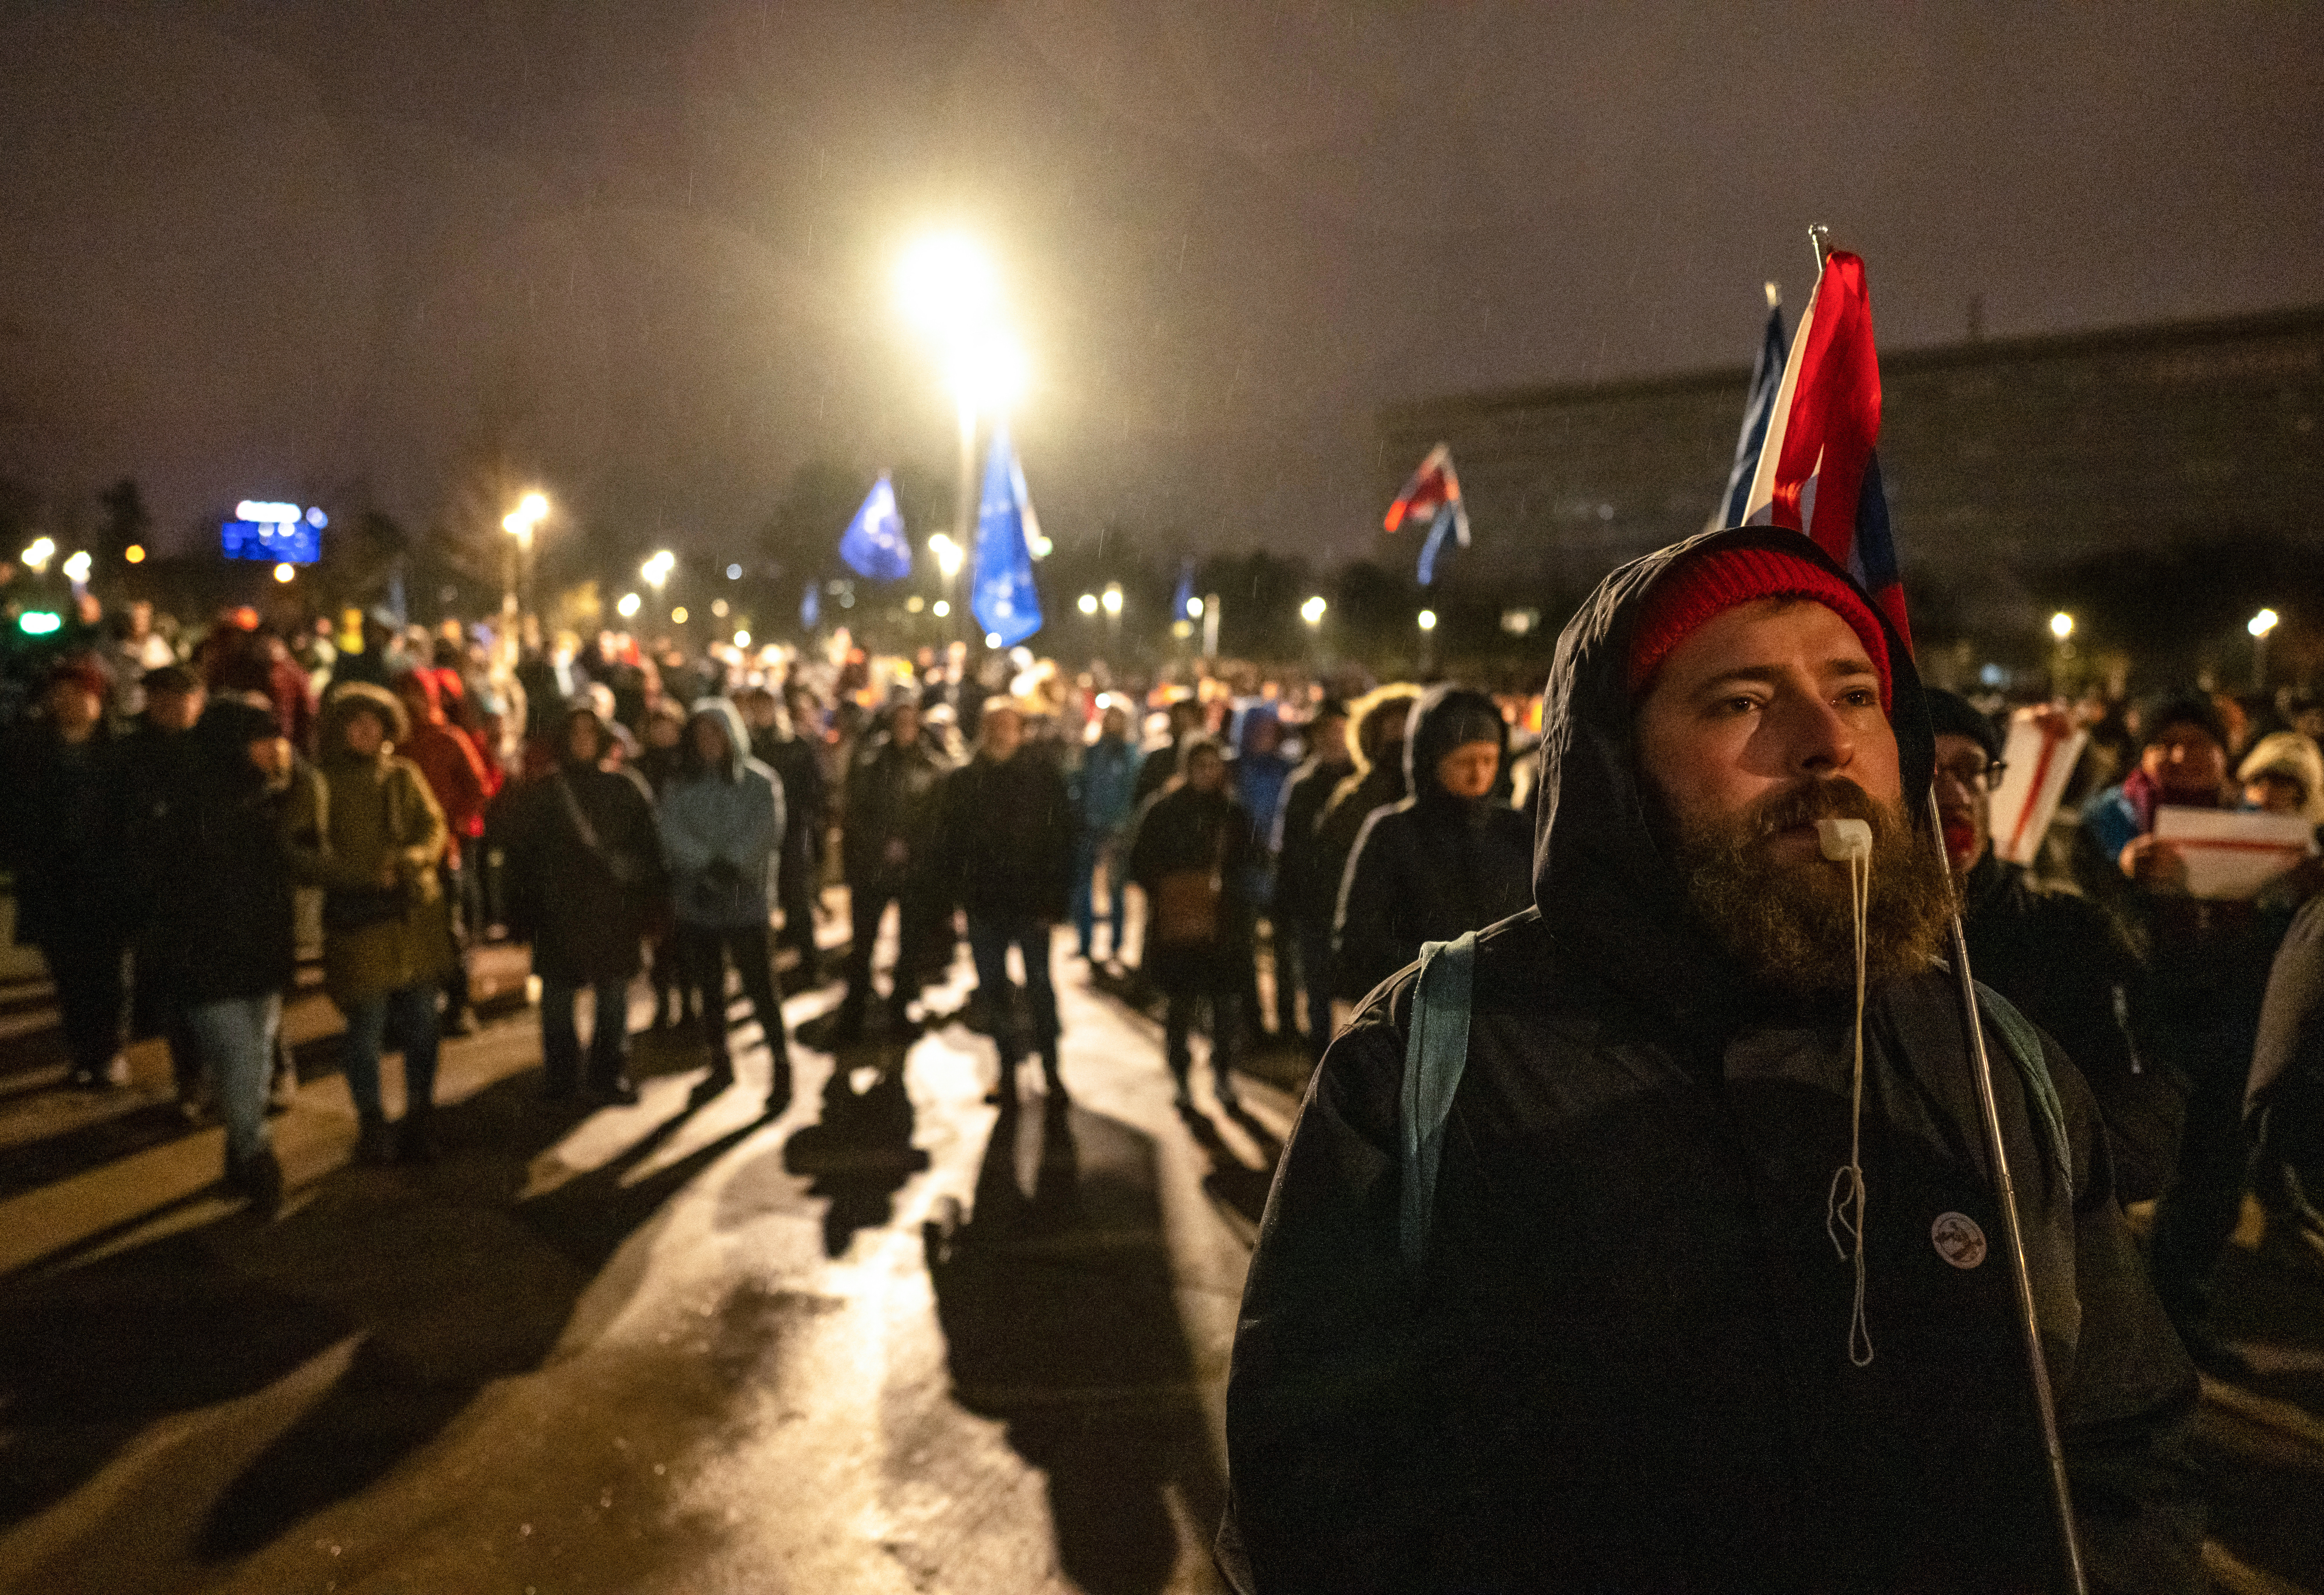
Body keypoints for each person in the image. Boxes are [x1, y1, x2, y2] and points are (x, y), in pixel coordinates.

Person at [1221, 531, 2200, 1594]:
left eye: (1858, 693)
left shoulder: (1991, 1055)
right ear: (1617, 759)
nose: (1826, 741)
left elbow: (2122, 1445)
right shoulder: (1434, 1055)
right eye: (1742, 702)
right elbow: (1316, 1491)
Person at [2076, 692, 2291, 1374]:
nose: (2180, 754)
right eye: (2164, 741)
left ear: (2221, 755)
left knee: (2213, 1174)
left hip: (2232, 1017)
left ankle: (2178, 1316)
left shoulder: (2261, 825)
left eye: (2196, 741)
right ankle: (2104, 1323)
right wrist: (2124, 875)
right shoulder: (2107, 819)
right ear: (2142, 753)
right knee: (2126, 1169)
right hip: (2144, 1018)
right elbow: (2081, 901)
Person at [1924, 689, 2181, 1203]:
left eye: (1970, 768)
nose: (1954, 792)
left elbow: (2139, 1120)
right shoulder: (1851, 946)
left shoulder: (2071, 933)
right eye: (1926, 773)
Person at [130, 696, 312, 1214]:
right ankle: (257, 1158)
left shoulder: (271, 797)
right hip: (207, 960)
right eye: (262, 738)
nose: (275, 748)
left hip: (259, 954)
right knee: (242, 1057)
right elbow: (162, 884)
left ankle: (238, 1155)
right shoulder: (190, 804)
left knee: (253, 1062)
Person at [287, 684, 454, 1165]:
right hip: (359, 924)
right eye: (354, 722)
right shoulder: (321, 781)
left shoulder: (405, 774)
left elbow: (434, 826)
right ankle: (372, 1122)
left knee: (424, 1025)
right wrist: (359, 876)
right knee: (367, 1028)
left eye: (373, 720)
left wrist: (411, 860)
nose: (365, 730)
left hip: (413, 919)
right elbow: (299, 850)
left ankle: (421, 1114)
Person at [504, 704, 664, 1104]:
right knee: (557, 1000)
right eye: (574, 733)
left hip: (612, 912)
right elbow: (520, 857)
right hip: (558, 914)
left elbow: (649, 852)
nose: (581, 741)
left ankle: (608, 1073)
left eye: (589, 733)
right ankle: (562, 1077)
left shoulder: (625, 787)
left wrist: (648, 907)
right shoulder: (544, 793)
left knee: (612, 999)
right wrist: (521, 915)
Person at [1331, 685, 1530, 1006]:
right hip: (1417, 1012)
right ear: (1431, 761)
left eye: (1489, 759)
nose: (1479, 773)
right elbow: (1361, 940)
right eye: (1464, 761)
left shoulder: (1516, 829)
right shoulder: (1393, 832)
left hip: (1503, 1012)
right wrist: (1444, 969)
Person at [2, 657, 134, 1089]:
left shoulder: (120, 750)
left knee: (107, 973)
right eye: (60, 695)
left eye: (78, 694)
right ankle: (82, 1053)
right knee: (67, 975)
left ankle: (109, 1051)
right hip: (53, 880)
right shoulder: (29, 748)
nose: (67, 703)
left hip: (106, 879)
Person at [934, 702, 1075, 1107]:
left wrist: (1055, 900)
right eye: (993, 726)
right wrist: (953, 898)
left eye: (1007, 726)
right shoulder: (963, 781)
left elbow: (1061, 838)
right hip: (984, 905)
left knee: (1039, 987)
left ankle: (1051, 1070)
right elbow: (949, 844)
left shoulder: (1041, 777)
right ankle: (1007, 1071)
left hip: (1031, 904)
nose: (1000, 734)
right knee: (993, 991)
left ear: (1020, 731)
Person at [658, 698, 789, 1113]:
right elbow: (670, 831)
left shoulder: (759, 782)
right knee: (709, 987)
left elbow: (767, 830)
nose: (709, 742)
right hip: (699, 902)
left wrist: (730, 865)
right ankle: (719, 1060)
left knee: (759, 986)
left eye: (716, 733)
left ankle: (781, 1063)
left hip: (746, 901)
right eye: (701, 735)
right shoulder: (680, 787)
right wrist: (705, 866)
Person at [1129, 738, 1260, 1113]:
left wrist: (1229, 889)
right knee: (1180, 1006)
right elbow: (1140, 862)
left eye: (1213, 764)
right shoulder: (1163, 811)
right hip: (1178, 926)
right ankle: (1181, 1078)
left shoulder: (1232, 813)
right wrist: (1175, 888)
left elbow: (1253, 858)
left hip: (1224, 925)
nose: (1207, 772)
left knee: (1223, 1007)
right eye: (1199, 765)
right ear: (1186, 768)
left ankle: (1222, 1075)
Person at [833, 700, 954, 1040]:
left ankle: (900, 1008)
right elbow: (857, 812)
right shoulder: (870, 762)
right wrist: (882, 845)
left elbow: (936, 819)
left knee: (909, 946)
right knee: (864, 944)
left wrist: (910, 847)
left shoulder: (933, 766)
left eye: (910, 721)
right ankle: (854, 1011)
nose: (905, 727)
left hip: (914, 873)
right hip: (872, 869)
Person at [394, 669, 492, 1035]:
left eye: (416, 693)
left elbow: (478, 786)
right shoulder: (396, 743)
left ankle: (458, 1002)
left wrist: (458, 824)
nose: (411, 702)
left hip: (445, 850)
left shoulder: (449, 739)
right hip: (405, 855)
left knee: (450, 929)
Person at [1311, 684, 1421, 1003]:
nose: (1399, 738)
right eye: (1391, 729)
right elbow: (1330, 858)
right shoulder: (1355, 796)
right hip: (1374, 939)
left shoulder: (1444, 802)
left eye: (1407, 726)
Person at [1270, 698, 1351, 1053]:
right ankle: (1321, 1056)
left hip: (1354, 903)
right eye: (1326, 732)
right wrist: (1286, 900)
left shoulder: (1363, 784)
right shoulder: (1302, 786)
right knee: (1317, 986)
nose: (1332, 739)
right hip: (1314, 903)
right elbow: (1289, 849)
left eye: (1338, 731)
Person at [1070, 701, 1141, 965]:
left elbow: (1131, 793)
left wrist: (1122, 827)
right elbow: (1080, 784)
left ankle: (1116, 945)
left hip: (1118, 831)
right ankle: (1085, 943)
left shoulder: (1132, 754)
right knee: (1083, 887)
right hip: (1089, 827)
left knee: (1115, 889)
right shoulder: (1091, 752)